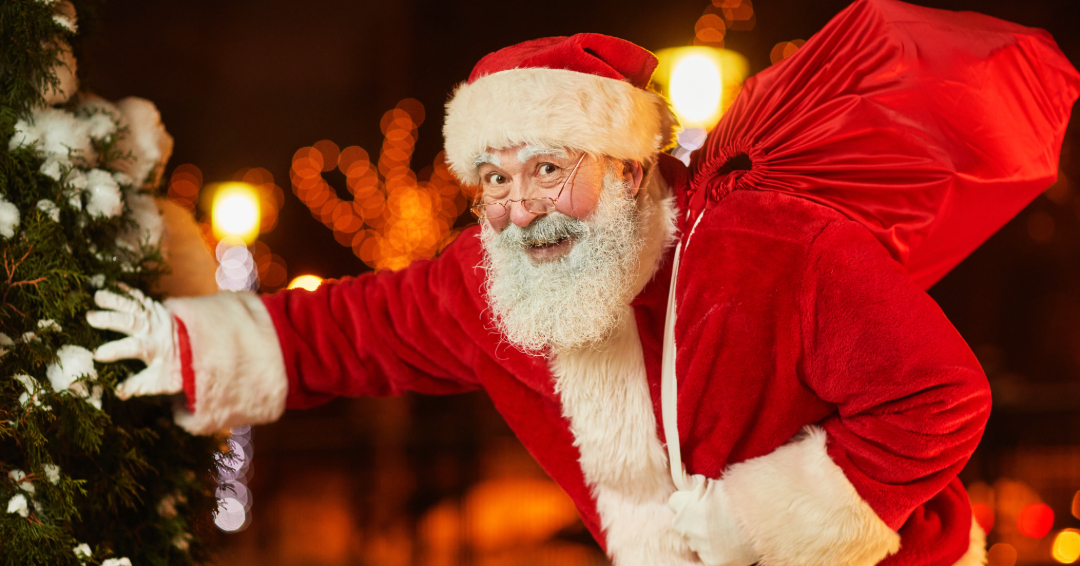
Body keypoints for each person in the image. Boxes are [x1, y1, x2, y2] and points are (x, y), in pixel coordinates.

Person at [86, 0, 1080, 564]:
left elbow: (939, 394)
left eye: (549, 168)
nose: (521, 206)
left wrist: (765, 519)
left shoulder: (778, 243)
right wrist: (179, 338)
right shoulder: (490, 278)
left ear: (632, 167)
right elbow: (344, 332)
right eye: (498, 177)